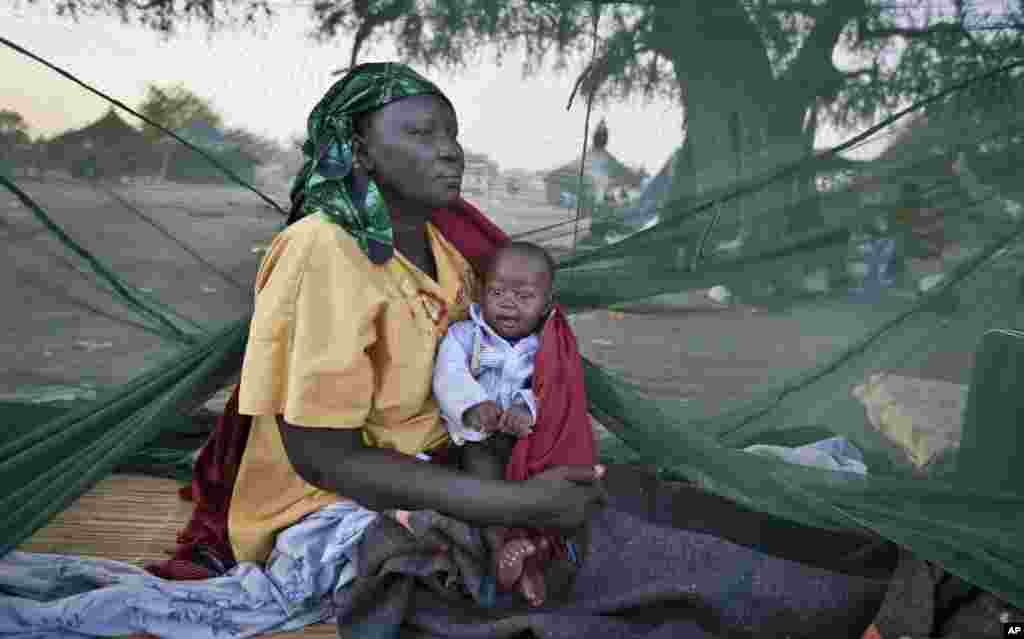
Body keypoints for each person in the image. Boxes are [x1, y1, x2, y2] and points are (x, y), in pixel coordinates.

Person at [0, 62, 894, 639]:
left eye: (452, 132)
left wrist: (519, 477)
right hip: (330, 507)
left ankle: (833, 566)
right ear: (356, 146)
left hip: (448, 467)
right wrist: (501, 502)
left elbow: (485, 377)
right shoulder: (325, 250)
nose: (451, 151)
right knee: (597, 559)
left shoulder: (452, 257)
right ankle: (813, 595)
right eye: (420, 134)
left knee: (628, 502)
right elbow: (321, 453)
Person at [432, 241, 566, 607]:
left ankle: (536, 555)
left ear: (547, 303)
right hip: (483, 441)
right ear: (481, 292)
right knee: (485, 484)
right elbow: (449, 374)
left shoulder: (547, 345)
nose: (508, 303)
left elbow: (555, 387)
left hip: (529, 445)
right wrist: (473, 405)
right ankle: (502, 550)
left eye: (524, 296)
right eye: (497, 292)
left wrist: (528, 410)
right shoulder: (465, 336)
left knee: (551, 489)